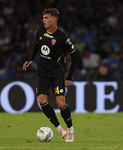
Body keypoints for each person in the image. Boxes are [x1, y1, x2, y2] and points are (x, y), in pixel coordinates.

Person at [23, 8, 79, 142]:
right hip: (42, 73)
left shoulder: (62, 38)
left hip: (57, 74)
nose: (43, 20)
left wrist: (69, 77)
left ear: (54, 20)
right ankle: (60, 129)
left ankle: (70, 129)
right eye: (43, 18)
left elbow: (75, 56)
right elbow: (37, 45)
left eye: (46, 18)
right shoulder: (40, 32)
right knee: (42, 101)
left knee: (60, 104)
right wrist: (31, 59)